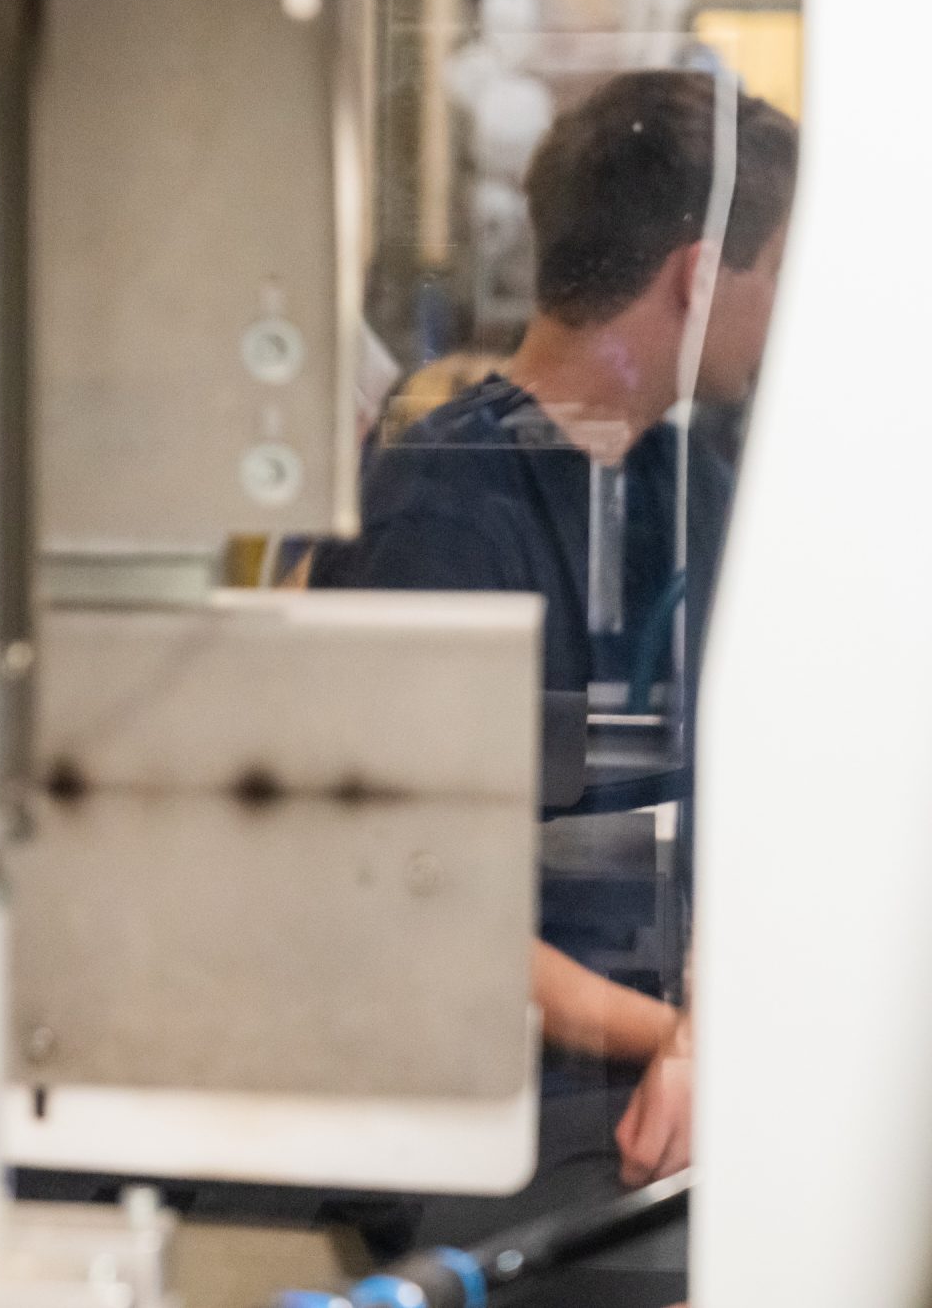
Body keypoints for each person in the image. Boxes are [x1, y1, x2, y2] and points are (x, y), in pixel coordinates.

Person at [311, 68, 794, 1228]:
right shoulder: (446, 513)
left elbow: (738, 808)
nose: (789, 315)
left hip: (657, 1078)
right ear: (694, 278)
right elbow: (413, 903)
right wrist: (679, 1041)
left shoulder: (691, 487)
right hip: (487, 1122)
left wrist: (708, 1022)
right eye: (778, 276)